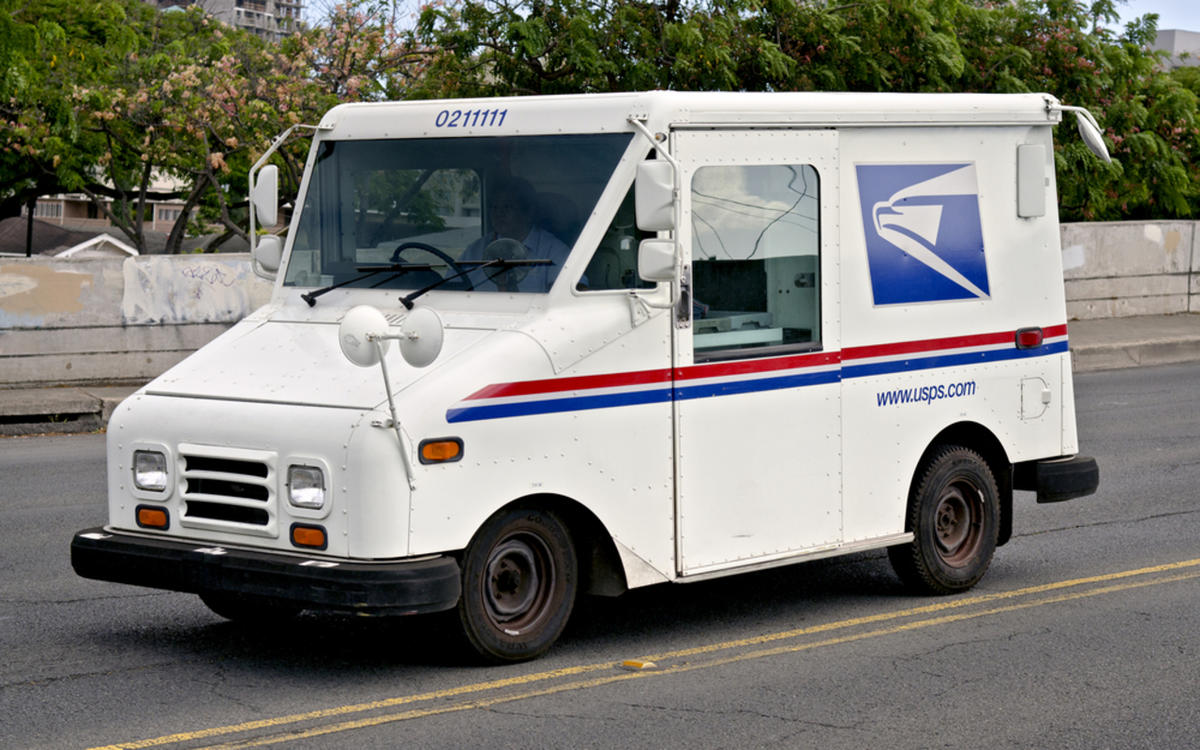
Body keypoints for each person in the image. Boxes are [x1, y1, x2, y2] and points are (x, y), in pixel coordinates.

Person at [461, 177, 575, 292]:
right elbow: (452, 286)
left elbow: (567, 295)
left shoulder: (553, 250)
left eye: (507, 207)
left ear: (529, 212)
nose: (499, 213)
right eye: (494, 207)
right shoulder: (476, 249)